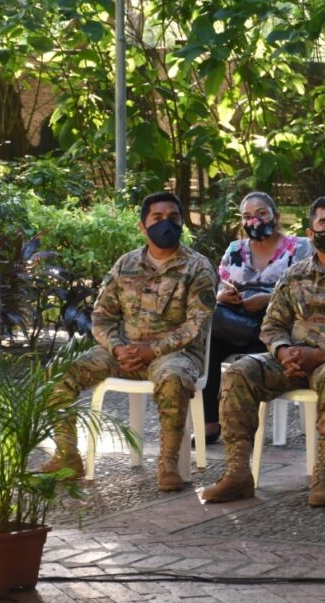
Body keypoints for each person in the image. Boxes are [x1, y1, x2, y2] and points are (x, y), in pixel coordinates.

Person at [201, 197, 325, 506]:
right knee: (239, 372)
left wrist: (318, 354)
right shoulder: (295, 274)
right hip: (292, 360)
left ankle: (324, 474)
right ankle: (237, 473)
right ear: (310, 232)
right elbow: (272, 324)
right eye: (324, 224)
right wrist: (283, 350)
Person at [41, 193, 217, 491]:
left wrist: (153, 350)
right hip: (124, 352)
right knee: (59, 373)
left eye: (173, 218)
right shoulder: (125, 264)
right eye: (157, 219)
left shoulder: (198, 267)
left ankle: (168, 465)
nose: (166, 225)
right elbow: (101, 316)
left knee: (173, 379)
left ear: (182, 223)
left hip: (175, 354)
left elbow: (196, 326)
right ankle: (67, 456)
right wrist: (118, 348)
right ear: (142, 226)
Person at [204, 192, 310, 444]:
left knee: (231, 331)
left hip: (277, 325)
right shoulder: (235, 249)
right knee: (209, 338)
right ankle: (210, 421)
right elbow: (219, 283)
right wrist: (223, 295)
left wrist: (269, 299)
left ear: (276, 216)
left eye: (261, 214)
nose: (254, 221)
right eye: (247, 216)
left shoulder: (299, 247)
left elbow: (304, 290)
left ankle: (235, 422)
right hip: (235, 320)